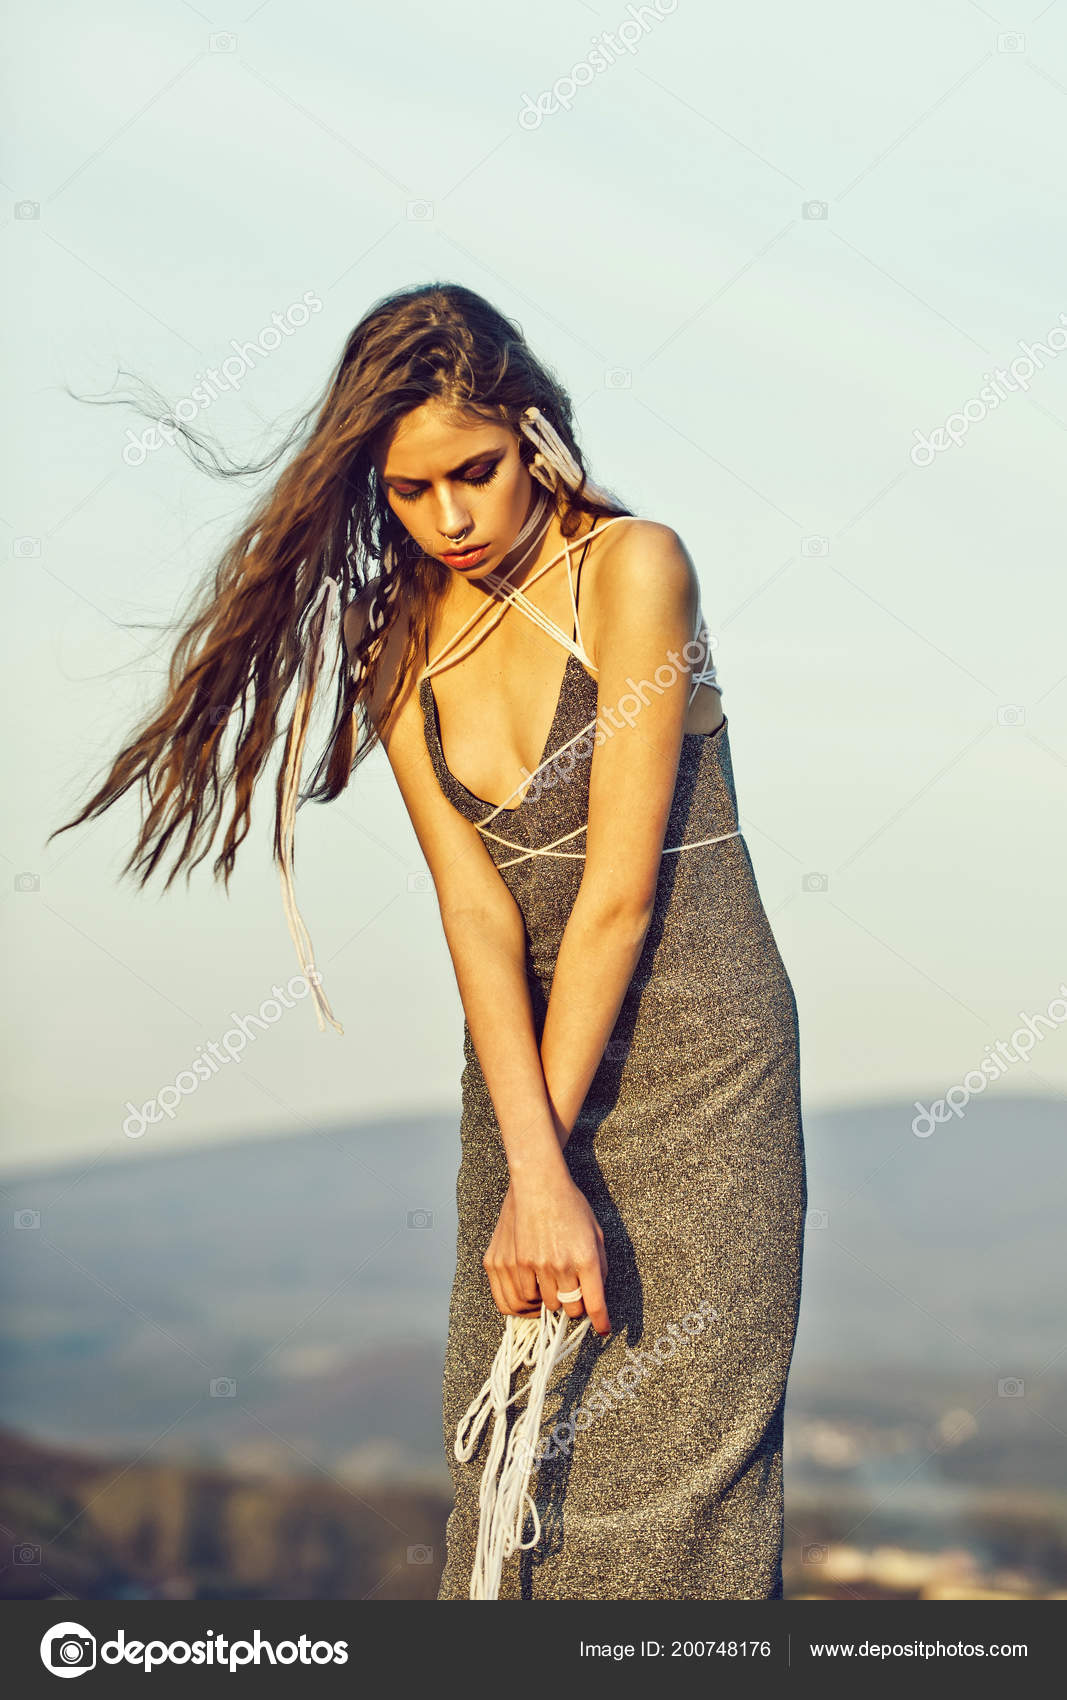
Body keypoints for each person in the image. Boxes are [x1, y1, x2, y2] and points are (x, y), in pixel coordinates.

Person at [50, 282, 807, 1601]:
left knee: (675, 1474)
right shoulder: (390, 634)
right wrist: (531, 1159)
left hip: (698, 1069)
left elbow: (619, 899)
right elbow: (475, 905)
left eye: (477, 472)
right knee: (511, 1444)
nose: (450, 517)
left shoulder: (633, 570)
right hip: (518, 1080)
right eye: (409, 491)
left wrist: (546, 1174)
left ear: (536, 436)